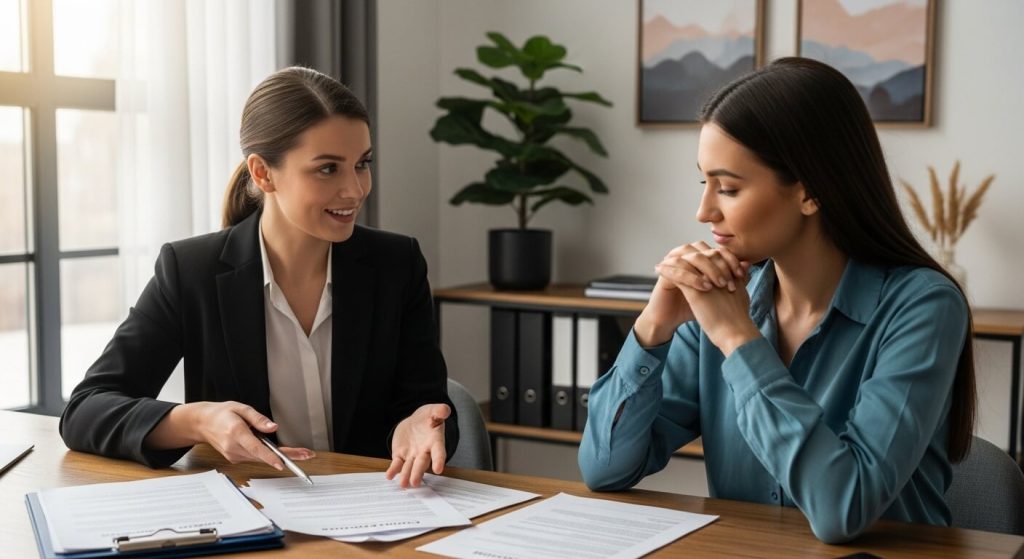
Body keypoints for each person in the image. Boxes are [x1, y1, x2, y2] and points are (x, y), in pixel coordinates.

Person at [578, 57, 976, 543]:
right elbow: (604, 468)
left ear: (809, 192)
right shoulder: (718, 301)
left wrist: (738, 338)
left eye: (727, 187)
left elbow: (842, 511)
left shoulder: (923, 307)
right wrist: (653, 327)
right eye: (704, 182)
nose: (703, 210)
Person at [60, 66, 458, 488]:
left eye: (362, 164)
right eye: (328, 169)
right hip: (253, 518)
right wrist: (197, 420)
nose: (355, 189)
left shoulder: (397, 264)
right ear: (263, 173)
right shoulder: (191, 270)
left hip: (378, 517)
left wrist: (422, 423)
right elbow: (86, 410)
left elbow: (429, 409)